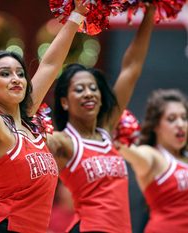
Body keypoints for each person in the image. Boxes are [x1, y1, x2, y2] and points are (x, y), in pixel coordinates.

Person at [0, 1, 87, 232]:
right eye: (5, 74)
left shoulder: (27, 120)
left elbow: (50, 65)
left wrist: (77, 14)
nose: (16, 78)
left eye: (20, 73)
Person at [47, 5, 156, 233]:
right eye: (79, 89)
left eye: (93, 88)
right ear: (64, 101)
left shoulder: (107, 128)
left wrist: (151, 9)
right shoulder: (62, 141)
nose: (88, 93)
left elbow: (131, 68)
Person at [118, 89, 188, 233]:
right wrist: (117, 142)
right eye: (171, 119)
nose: (180, 124)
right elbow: (134, 154)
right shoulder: (153, 156)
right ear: (156, 125)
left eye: (184, 117)